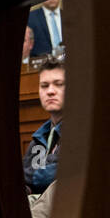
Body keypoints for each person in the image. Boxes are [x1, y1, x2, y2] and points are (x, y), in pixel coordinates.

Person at [23, 54, 64, 195]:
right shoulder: (38, 138)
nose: (50, 91)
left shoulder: (81, 131)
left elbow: (62, 172)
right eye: (44, 86)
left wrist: (28, 174)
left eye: (59, 84)